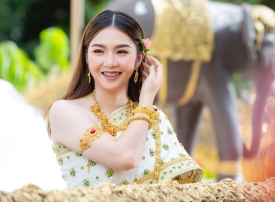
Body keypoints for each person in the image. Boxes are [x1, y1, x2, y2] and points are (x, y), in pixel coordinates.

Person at [46, 10, 203, 188]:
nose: (110, 62)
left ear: (139, 59)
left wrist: (145, 105)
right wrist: (146, 102)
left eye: (121, 52)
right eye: (99, 51)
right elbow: (124, 157)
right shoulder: (64, 111)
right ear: (86, 57)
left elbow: (183, 192)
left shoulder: (156, 120)